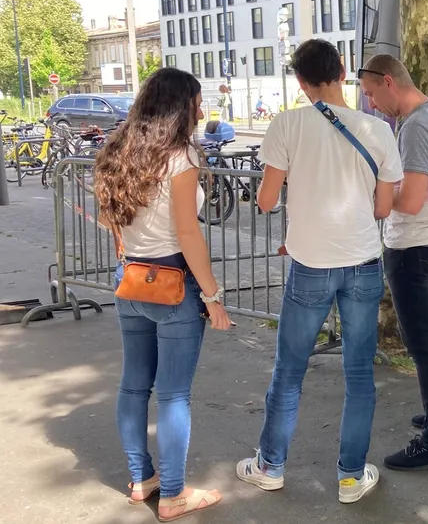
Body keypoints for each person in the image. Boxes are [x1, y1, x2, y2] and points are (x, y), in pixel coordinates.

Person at [234, 39, 404, 503]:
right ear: (343, 70)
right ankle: (351, 477)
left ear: (300, 81)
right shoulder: (378, 130)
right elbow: (384, 207)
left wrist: (300, 181)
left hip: (310, 266)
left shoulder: (287, 125)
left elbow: (266, 201)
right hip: (364, 264)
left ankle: (270, 466)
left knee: (289, 372)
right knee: (359, 374)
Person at [93, 67, 232, 522]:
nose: (199, 109)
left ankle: (141, 479)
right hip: (173, 283)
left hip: (130, 278)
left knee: (134, 385)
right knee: (173, 396)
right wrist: (212, 296)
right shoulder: (182, 157)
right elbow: (188, 234)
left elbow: (110, 219)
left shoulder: (117, 150)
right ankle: (172, 494)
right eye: (195, 101)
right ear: (181, 107)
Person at [359, 54, 428, 472]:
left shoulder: (416, 127)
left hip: (413, 250)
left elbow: (412, 200)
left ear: (389, 81)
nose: (370, 105)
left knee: (425, 347)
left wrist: (374, 197)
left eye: (370, 94)